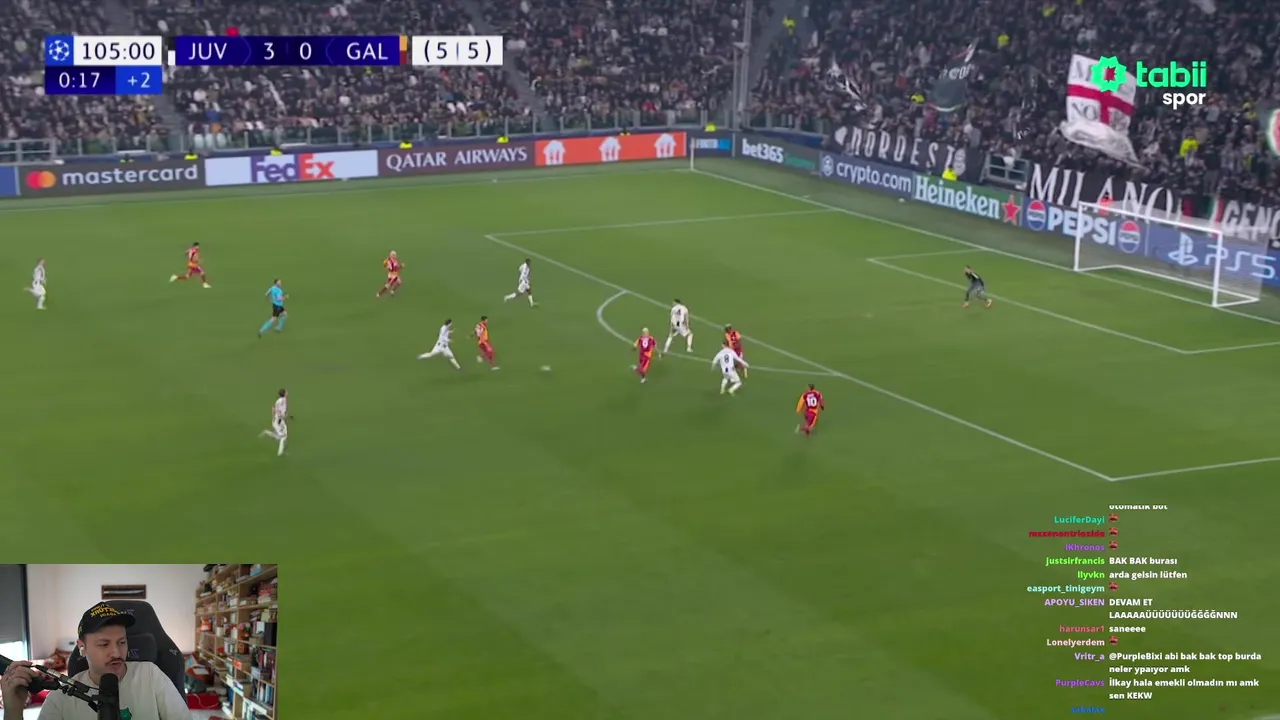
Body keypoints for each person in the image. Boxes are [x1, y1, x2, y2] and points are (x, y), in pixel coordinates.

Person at [1, 602, 189, 720]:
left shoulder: (151, 675)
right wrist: (13, 712)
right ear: (82, 647)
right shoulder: (61, 697)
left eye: (122, 642)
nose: (116, 652)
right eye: (104, 644)